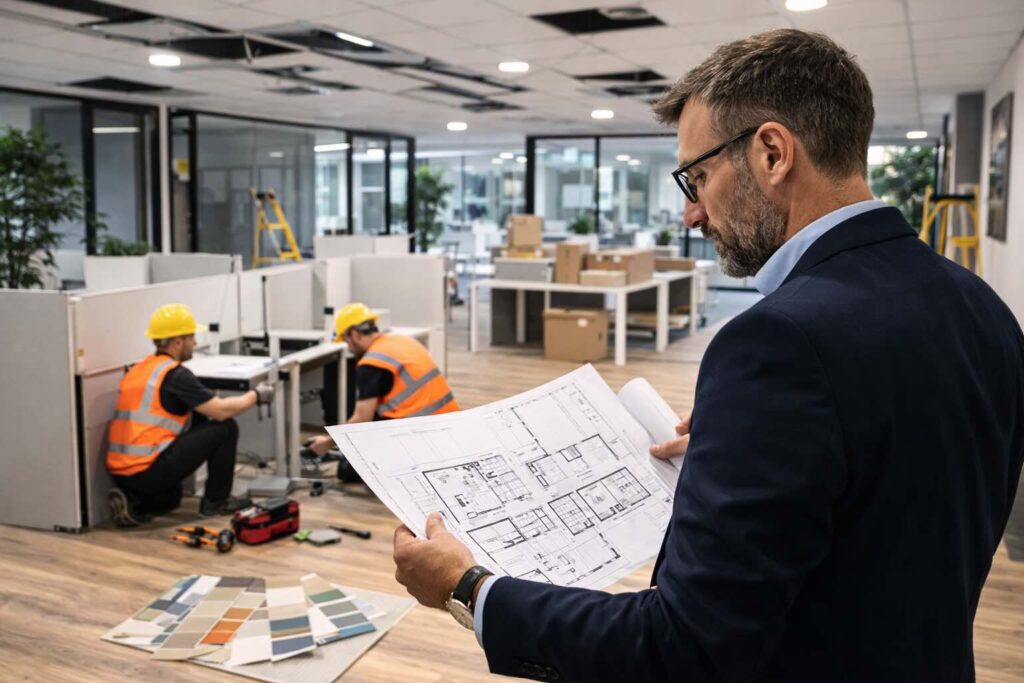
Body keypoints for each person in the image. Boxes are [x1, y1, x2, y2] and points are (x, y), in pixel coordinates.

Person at [390, 29, 1024, 682]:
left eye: (697, 178)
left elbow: (684, 646)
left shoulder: (780, 341)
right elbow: (897, 493)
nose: (691, 214)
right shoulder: (981, 306)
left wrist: (470, 588)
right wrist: (760, 453)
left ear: (772, 153)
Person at [106, 303, 274, 526]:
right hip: (146, 470)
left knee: (173, 497)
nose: (195, 343)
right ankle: (216, 503)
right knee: (225, 428)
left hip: (122, 474)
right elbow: (221, 411)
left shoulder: (140, 369)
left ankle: (135, 504)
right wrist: (256, 395)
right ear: (177, 342)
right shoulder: (175, 376)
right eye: (191, 337)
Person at [302, 303, 459, 481]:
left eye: (346, 340)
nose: (349, 348)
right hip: (451, 427)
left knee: (347, 469)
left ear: (355, 334)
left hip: (423, 439)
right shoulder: (403, 341)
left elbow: (362, 419)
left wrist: (327, 443)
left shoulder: (372, 363)